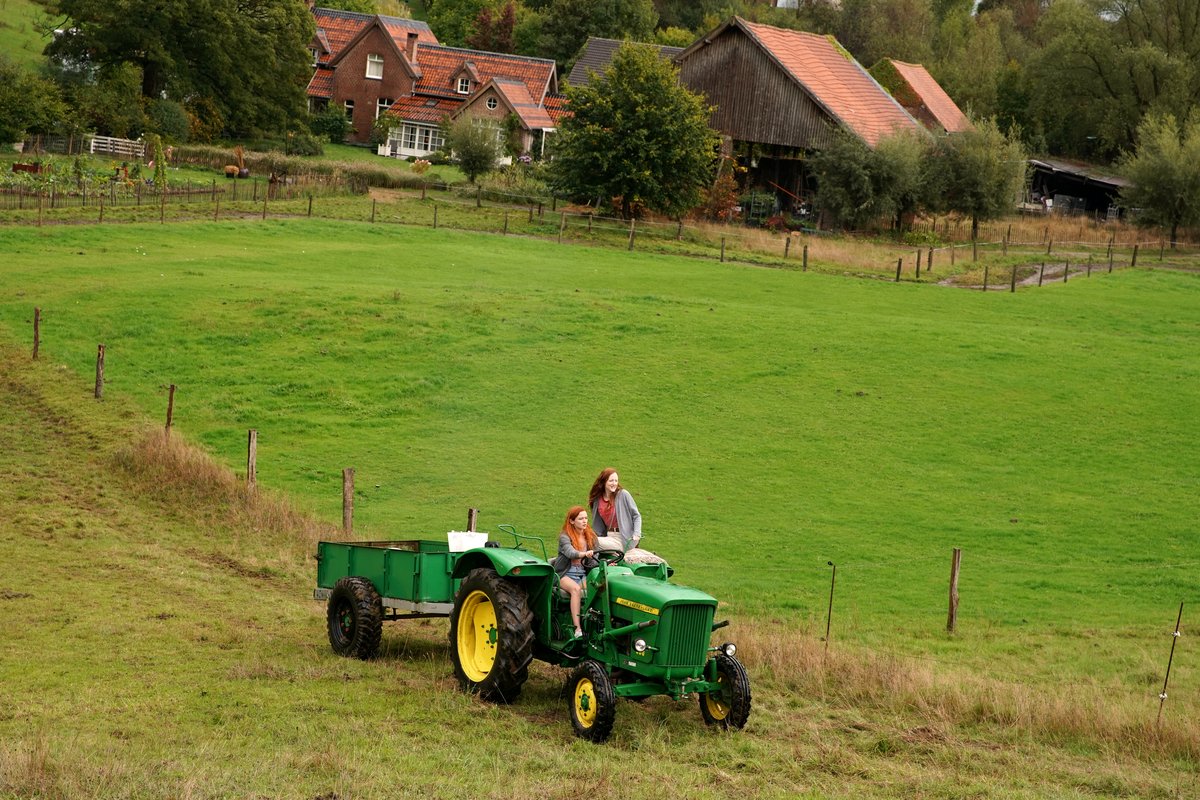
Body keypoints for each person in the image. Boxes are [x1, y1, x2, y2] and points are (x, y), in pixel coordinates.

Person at [551, 506, 598, 639]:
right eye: (580, 518)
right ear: (572, 521)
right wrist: (585, 554)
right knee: (576, 590)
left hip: (582, 573)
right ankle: (577, 629)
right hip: (564, 574)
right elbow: (571, 553)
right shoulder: (565, 537)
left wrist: (603, 564)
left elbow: (593, 561)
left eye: (586, 518)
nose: (584, 521)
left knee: (597, 587)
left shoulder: (591, 537)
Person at [588, 468, 641, 551]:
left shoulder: (623, 494)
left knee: (592, 541)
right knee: (587, 539)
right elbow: (597, 526)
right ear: (604, 482)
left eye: (616, 481)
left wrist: (637, 534)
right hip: (608, 536)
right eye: (611, 481)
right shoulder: (597, 500)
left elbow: (636, 516)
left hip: (623, 538)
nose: (614, 483)